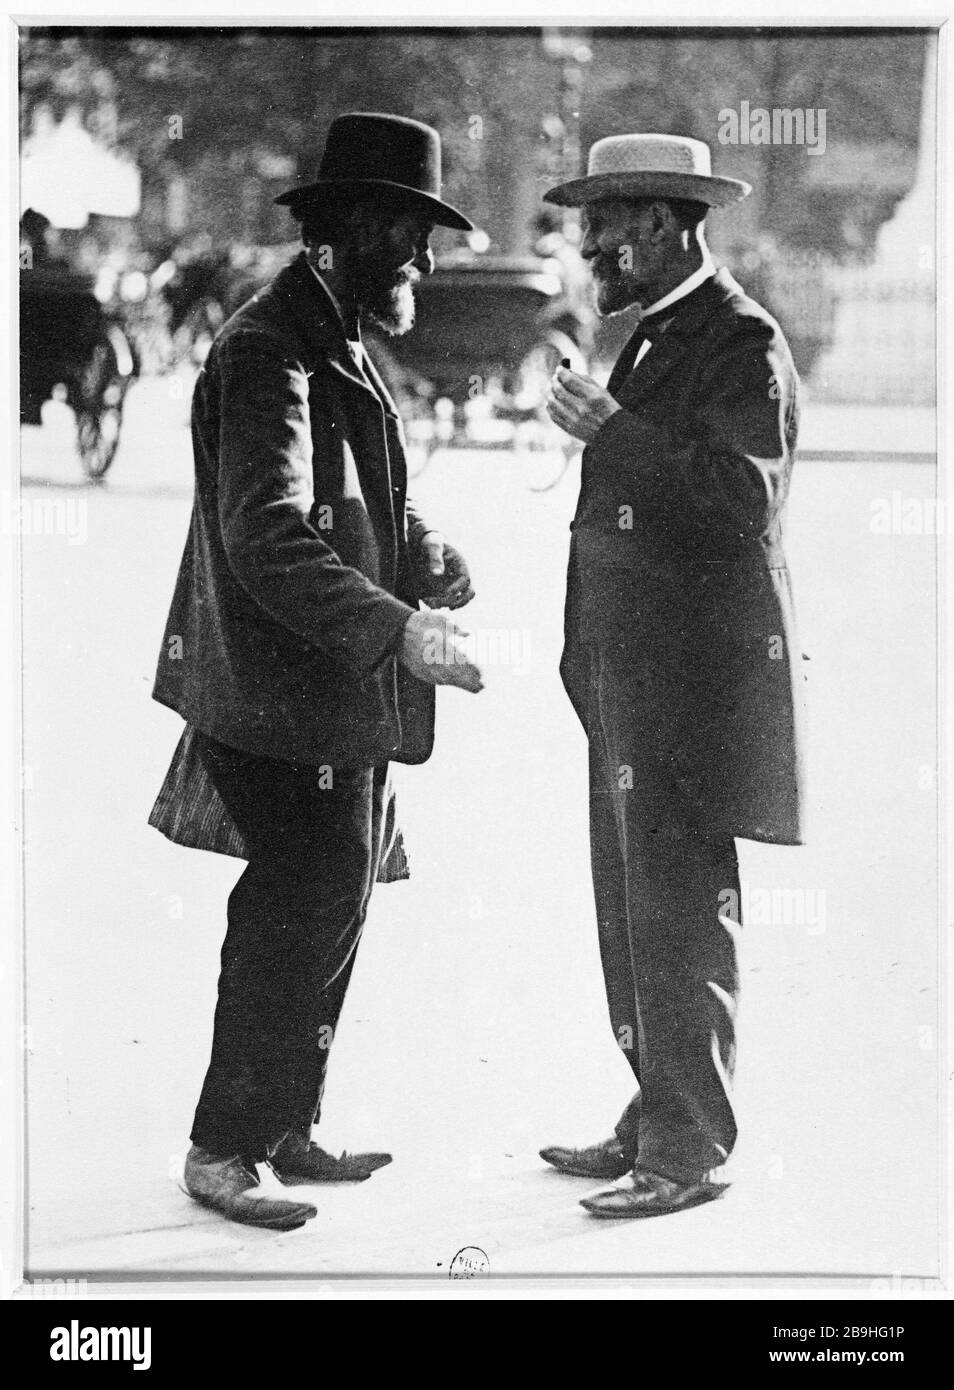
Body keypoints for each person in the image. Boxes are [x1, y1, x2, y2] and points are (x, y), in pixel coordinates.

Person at [151, 113, 483, 1230]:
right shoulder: (267, 351)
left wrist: (425, 551)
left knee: (334, 897)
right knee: (296, 905)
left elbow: (363, 492)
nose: (426, 263)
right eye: (413, 235)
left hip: (329, 696)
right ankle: (220, 1146)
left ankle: (287, 1120)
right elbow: (268, 535)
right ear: (350, 233)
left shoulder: (327, 332)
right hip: (278, 695)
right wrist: (398, 627)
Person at [540, 134, 805, 1217]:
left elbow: (742, 501)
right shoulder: (661, 333)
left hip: (692, 689)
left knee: (682, 907)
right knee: (634, 904)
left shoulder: (740, 339)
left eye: (607, 225)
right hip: (633, 678)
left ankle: (690, 1147)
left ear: (663, 224)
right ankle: (657, 1109)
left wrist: (618, 433)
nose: (591, 244)